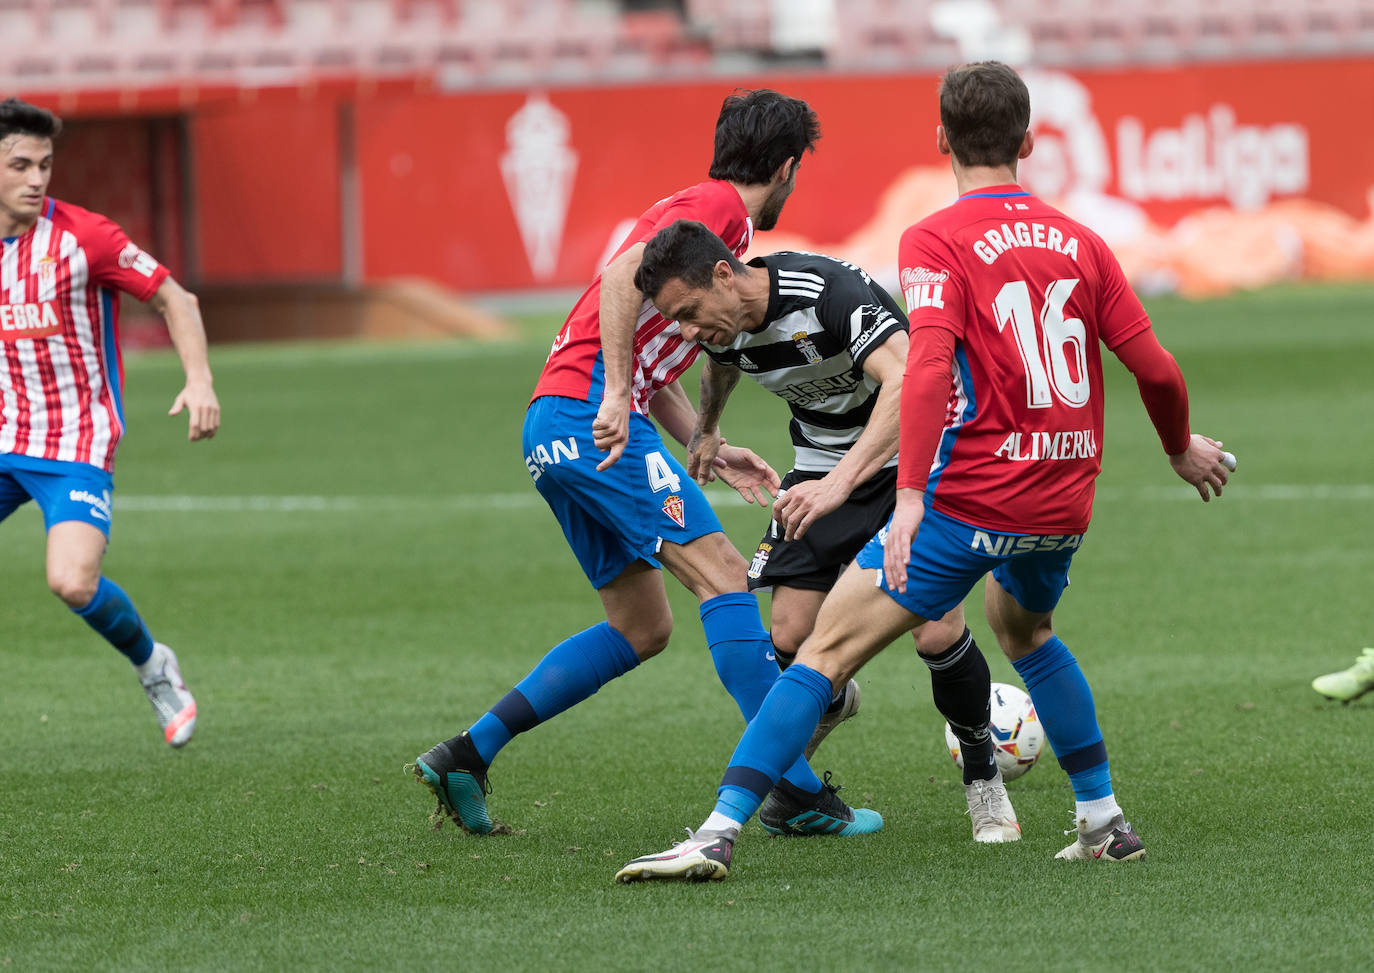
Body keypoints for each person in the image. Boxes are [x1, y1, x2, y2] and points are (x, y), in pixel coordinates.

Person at [616, 60, 1235, 883]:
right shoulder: (1083, 241)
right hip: (1063, 498)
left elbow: (929, 368)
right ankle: (1102, 818)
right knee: (1027, 633)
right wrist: (1178, 446)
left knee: (822, 656)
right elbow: (1154, 367)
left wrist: (906, 500)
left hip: (975, 493)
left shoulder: (934, 238)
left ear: (940, 138)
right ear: (1028, 140)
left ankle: (717, 833)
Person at [414, 89, 881, 838]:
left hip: (555, 423)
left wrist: (703, 435)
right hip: (591, 418)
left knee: (641, 626)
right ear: (788, 166)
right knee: (726, 573)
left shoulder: (696, 211)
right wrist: (619, 392)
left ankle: (468, 752)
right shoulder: (722, 211)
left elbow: (654, 345)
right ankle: (792, 791)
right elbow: (618, 274)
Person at [634, 218, 1011, 841]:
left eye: (692, 312)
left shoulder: (827, 292)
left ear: (725, 274)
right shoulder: (719, 327)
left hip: (912, 460)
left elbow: (912, 380)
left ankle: (983, 780)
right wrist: (707, 428)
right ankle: (832, 700)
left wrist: (841, 484)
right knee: (788, 634)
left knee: (936, 630)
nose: (688, 332)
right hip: (819, 466)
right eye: (677, 320)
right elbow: (721, 363)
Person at [0, 98, 220, 747]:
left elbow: (174, 297)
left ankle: (154, 664)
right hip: (4, 432)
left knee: (71, 579)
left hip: (74, 441)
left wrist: (200, 379)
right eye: (20, 164)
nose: (37, 178)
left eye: (44, 164)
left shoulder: (83, 237)